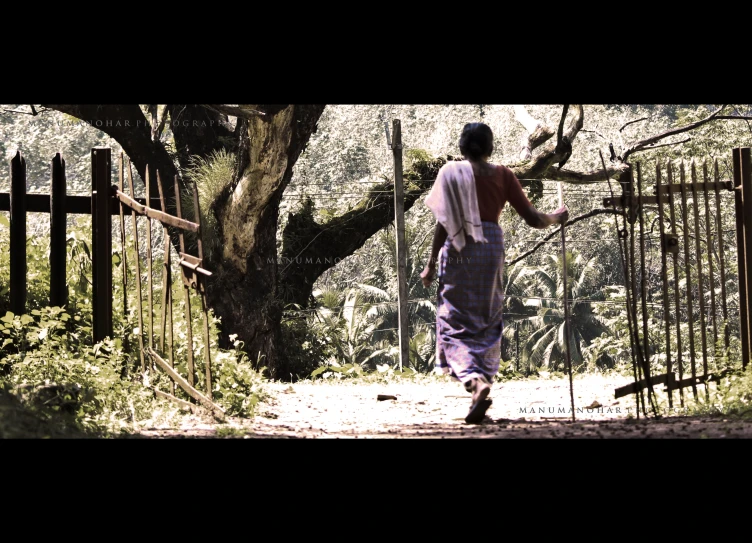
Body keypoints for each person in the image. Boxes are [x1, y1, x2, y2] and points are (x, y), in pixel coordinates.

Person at [420, 122, 568, 424]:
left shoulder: (450, 173)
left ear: (462, 148)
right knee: (486, 316)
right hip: (490, 250)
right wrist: (556, 217)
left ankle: (474, 381)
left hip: (459, 249)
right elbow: (534, 219)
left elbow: (443, 222)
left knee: (452, 317)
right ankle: (483, 373)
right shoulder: (503, 174)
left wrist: (431, 261)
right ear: (490, 148)